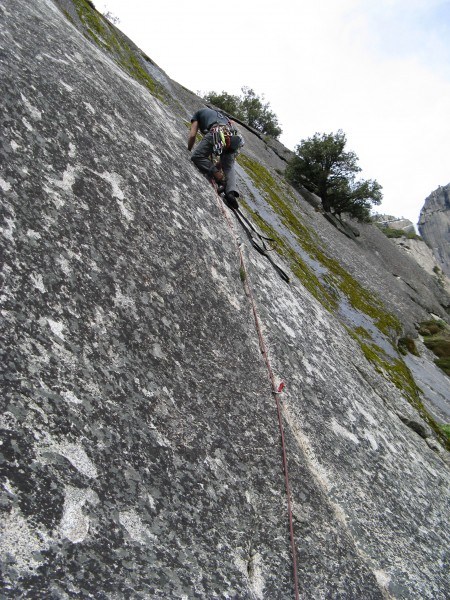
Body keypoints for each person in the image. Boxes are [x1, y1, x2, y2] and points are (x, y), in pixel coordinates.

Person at [188, 107, 243, 209]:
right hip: (233, 136)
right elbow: (225, 163)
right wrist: (217, 167)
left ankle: (220, 179)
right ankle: (230, 192)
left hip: (217, 131)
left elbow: (192, 135)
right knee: (229, 166)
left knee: (197, 156)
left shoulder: (198, 112)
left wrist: (188, 149)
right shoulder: (224, 117)